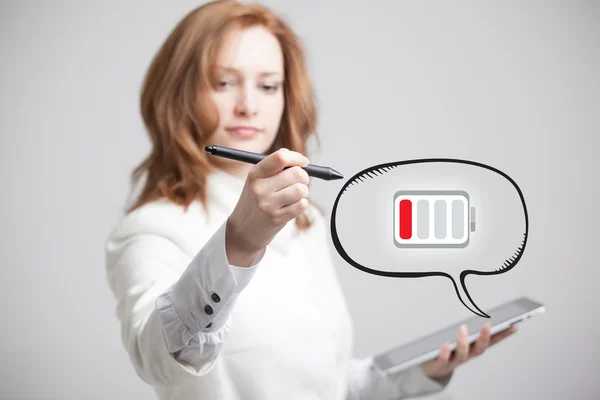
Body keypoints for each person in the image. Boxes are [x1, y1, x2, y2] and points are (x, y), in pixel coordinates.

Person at [104, 1, 518, 399]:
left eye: (268, 86)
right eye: (223, 82)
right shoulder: (151, 229)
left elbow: (332, 385)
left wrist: (424, 369)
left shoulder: (305, 223)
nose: (248, 105)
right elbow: (157, 358)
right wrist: (239, 244)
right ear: (180, 93)